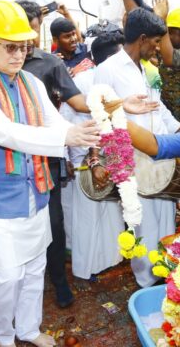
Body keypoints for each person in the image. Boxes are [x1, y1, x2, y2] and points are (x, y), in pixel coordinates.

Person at [0, 0, 100, 347]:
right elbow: (6, 133)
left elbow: (55, 123)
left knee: (35, 269)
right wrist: (65, 136)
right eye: (10, 47)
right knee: (7, 277)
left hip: (35, 193)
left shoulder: (32, 83)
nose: (19, 54)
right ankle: (5, 336)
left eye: (23, 46)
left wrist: (86, 128)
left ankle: (28, 328)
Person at [94, 7, 180, 288]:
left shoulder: (148, 69)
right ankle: (146, 280)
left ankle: (165, 270)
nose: (157, 48)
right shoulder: (108, 70)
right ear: (142, 39)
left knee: (166, 215)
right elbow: (99, 116)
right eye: (155, 42)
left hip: (161, 153)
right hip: (133, 159)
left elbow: (159, 107)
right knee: (142, 220)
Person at [17, 0, 88, 308]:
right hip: (11, 155)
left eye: (33, 29)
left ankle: (58, 279)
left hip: (45, 156)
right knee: (19, 222)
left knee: (54, 222)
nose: (27, 36)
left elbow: (77, 101)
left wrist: (112, 103)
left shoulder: (50, 63)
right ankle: (20, 281)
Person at [61, 32, 128, 283]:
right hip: (83, 156)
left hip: (108, 156)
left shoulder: (114, 79)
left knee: (110, 212)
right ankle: (85, 268)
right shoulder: (82, 81)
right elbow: (65, 119)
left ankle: (109, 260)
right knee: (88, 218)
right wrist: (66, 156)